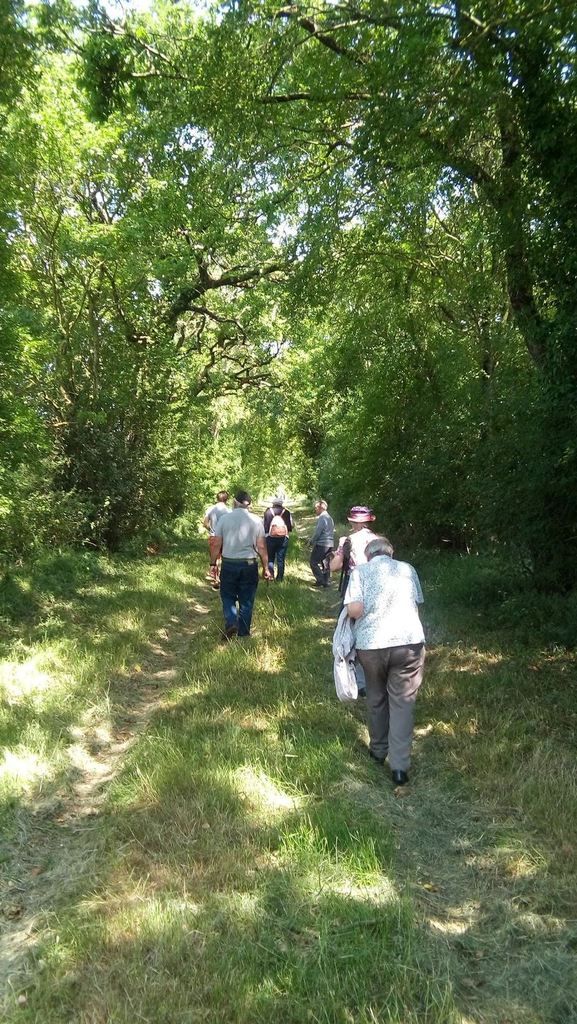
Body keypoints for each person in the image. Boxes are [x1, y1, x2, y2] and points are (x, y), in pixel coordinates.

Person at [344, 535, 425, 788]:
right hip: (408, 643)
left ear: (369, 555)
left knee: (376, 696)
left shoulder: (360, 572)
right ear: (391, 553)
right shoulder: (407, 569)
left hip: (372, 645)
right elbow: (416, 603)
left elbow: (355, 610)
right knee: (403, 703)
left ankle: (378, 751)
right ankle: (399, 768)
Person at [209, 490, 272, 639]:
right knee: (247, 599)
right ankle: (243, 634)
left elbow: (216, 543)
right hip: (249, 565)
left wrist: (213, 563)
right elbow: (261, 547)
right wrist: (266, 568)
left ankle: (231, 622)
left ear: (235, 502)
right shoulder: (256, 520)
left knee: (227, 595)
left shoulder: (224, 519)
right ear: (248, 504)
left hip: (229, 564)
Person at [330, 506, 378, 596]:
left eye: (352, 521)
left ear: (357, 523)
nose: (350, 523)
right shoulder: (378, 540)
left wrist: (339, 550)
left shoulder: (349, 540)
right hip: (374, 583)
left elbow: (334, 566)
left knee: (348, 610)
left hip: (354, 583)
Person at [203, 490, 230, 587]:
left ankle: (216, 578)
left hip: (213, 536)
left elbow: (205, 523)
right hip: (225, 537)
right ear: (227, 499)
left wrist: (211, 529)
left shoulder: (210, 509)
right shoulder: (229, 511)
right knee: (224, 558)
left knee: (215, 557)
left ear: (217, 498)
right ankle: (222, 578)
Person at [263, 497, 293, 582]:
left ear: (273, 503)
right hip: (283, 538)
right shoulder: (286, 512)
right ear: (281, 504)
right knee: (281, 559)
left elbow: (264, 526)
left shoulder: (268, 512)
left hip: (270, 538)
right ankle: (280, 578)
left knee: (270, 558)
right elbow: (290, 527)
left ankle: (270, 576)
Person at [308, 499, 335, 587]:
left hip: (322, 544)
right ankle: (326, 581)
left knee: (313, 562)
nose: (315, 509)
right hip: (330, 544)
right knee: (325, 563)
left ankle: (320, 580)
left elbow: (318, 532)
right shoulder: (329, 518)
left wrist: (311, 541)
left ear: (320, 508)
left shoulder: (322, 517)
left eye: (316, 508)